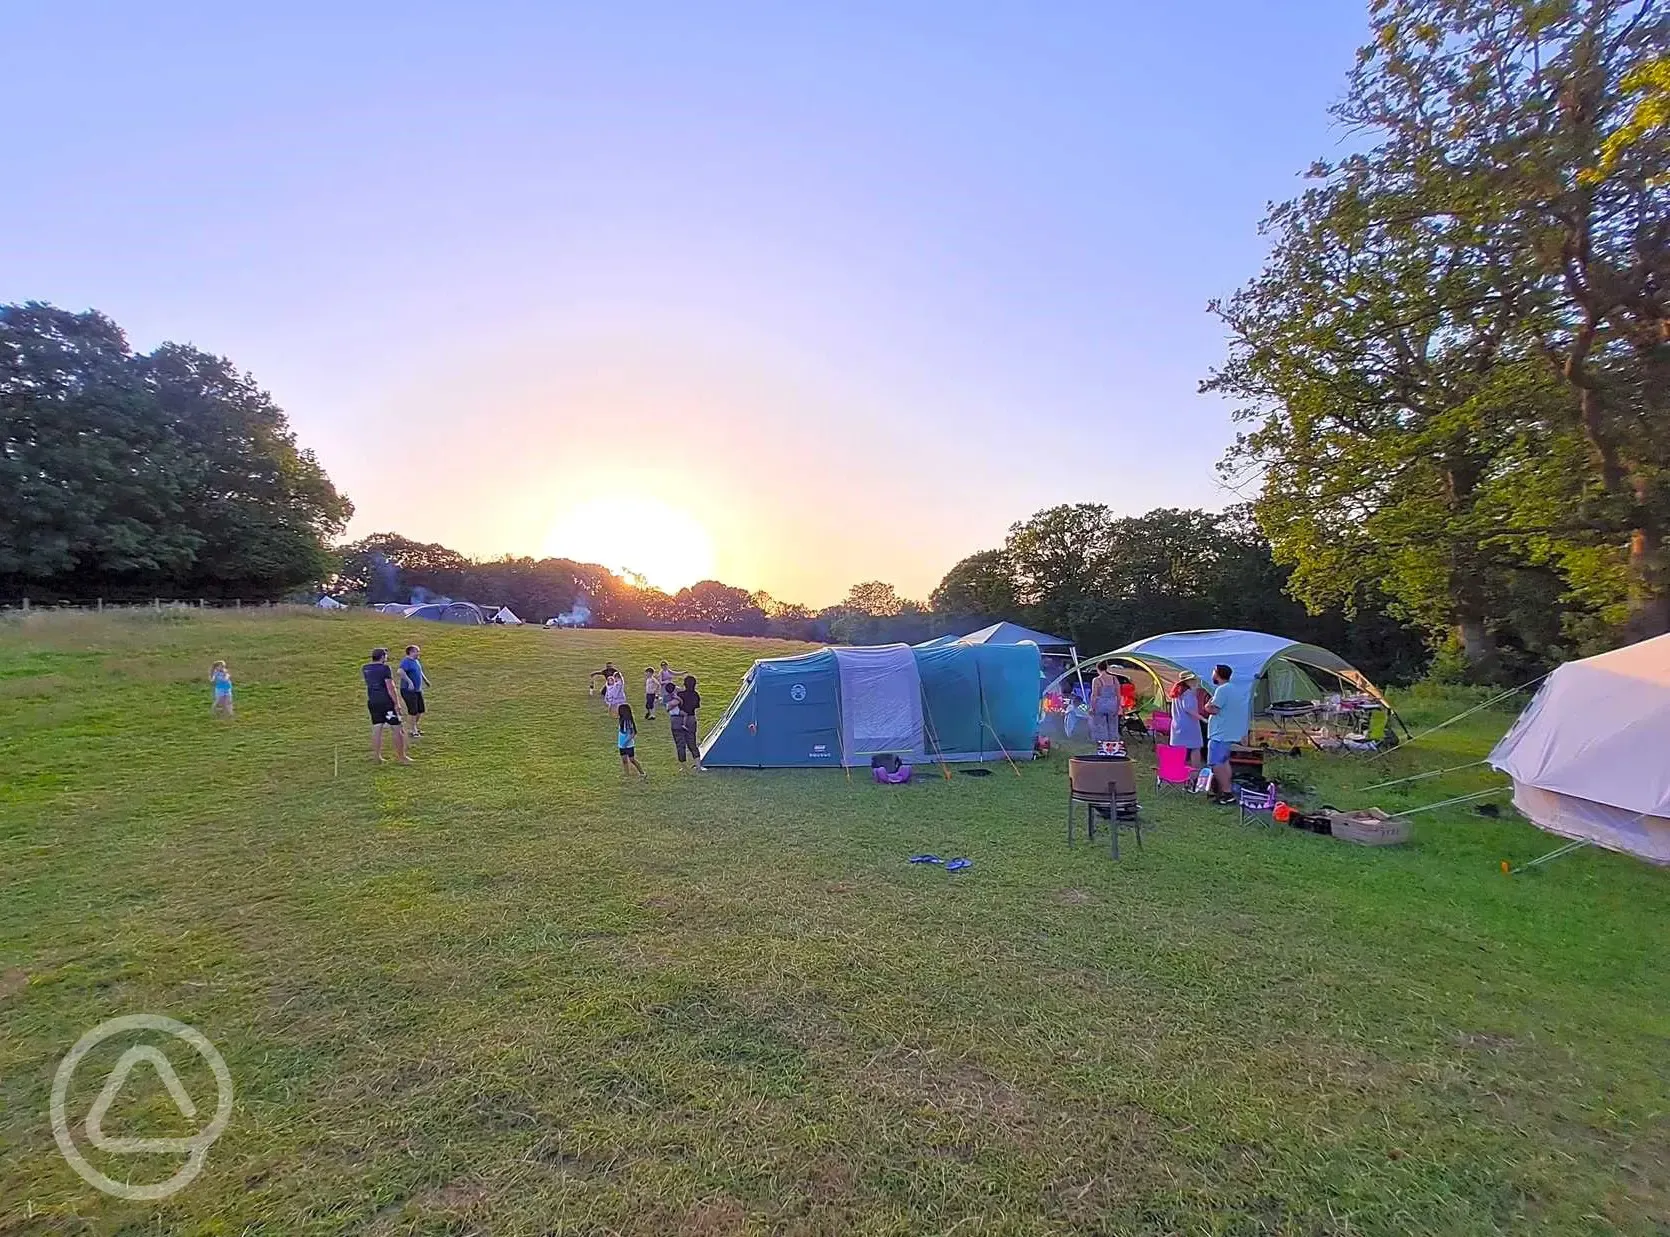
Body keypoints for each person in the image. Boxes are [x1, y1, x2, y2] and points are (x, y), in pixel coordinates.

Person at [1201, 662, 1252, 803]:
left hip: (1220, 733)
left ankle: (1226, 793)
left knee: (1215, 763)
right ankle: (1226, 790)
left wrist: (1206, 706)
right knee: (1224, 762)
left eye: (1213, 672)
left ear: (1217, 674)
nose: (1212, 674)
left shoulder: (1222, 690)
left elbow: (1214, 709)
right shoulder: (1234, 689)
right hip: (1228, 732)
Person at [362, 647, 411, 765]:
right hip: (386, 702)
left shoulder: (365, 668)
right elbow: (390, 687)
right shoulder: (385, 669)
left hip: (373, 701)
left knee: (377, 728)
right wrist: (397, 703)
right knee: (397, 729)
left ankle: (377, 756)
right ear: (383, 657)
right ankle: (401, 757)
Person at [1168, 673, 1207, 766]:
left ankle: (1177, 769)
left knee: (1179, 748)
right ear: (1188, 681)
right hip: (1189, 724)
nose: (1195, 682)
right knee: (1195, 747)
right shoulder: (1188, 693)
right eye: (1193, 680)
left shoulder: (1178, 693)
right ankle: (1195, 771)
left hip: (1177, 723)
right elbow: (1188, 708)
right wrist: (1202, 718)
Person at [1088, 661, 1123, 744]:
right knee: (1113, 725)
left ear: (1098, 669)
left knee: (1100, 725)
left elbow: (1094, 695)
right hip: (1112, 704)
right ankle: (1114, 742)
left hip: (1101, 704)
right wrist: (1118, 707)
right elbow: (1118, 695)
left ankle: (1102, 742)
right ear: (1106, 668)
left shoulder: (1096, 680)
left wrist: (1092, 707)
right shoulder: (1114, 679)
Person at [673, 674, 703, 770]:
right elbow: (696, 706)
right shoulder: (695, 695)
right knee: (692, 742)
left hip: (678, 720)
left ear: (684, 684)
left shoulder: (680, 695)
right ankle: (698, 765)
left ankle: (683, 767)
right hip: (691, 719)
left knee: (680, 744)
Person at [398, 644, 427, 739]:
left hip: (417, 690)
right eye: (417, 651)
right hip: (408, 690)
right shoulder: (406, 661)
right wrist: (409, 682)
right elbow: (400, 672)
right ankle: (413, 730)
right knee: (413, 711)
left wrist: (425, 680)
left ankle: (413, 727)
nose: (419, 653)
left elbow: (419, 671)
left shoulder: (416, 661)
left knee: (420, 710)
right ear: (410, 652)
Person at [617, 702, 647, 778]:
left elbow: (632, 733)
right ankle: (627, 774)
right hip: (621, 743)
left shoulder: (628, 722)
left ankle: (642, 773)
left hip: (628, 744)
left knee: (632, 759)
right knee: (624, 759)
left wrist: (626, 742)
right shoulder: (621, 720)